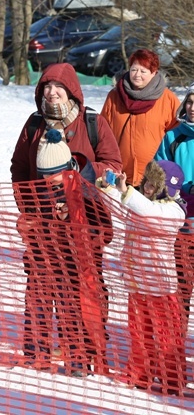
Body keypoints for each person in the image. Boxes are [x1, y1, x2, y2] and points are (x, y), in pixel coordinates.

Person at [16, 130, 113, 376]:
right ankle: (36, 354)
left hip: (76, 267)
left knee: (74, 314)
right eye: (44, 175)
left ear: (68, 168)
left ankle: (78, 361)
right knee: (37, 308)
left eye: (54, 174)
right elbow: (27, 218)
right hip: (43, 262)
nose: (48, 180)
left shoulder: (86, 190)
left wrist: (72, 223)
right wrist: (29, 227)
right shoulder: (38, 189)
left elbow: (105, 231)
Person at [97, 160, 187, 394]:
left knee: (166, 338)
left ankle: (172, 378)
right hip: (136, 284)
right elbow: (120, 206)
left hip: (160, 288)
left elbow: (149, 213)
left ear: (165, 189)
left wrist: (127, 192)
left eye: (154, 184)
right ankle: (139, 372)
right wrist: (109, 187)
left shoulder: (173, 211)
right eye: (146, 181)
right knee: (139, 334)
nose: (147, 187)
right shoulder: (141, 202)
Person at [100, 48, 180, 187]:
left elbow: (176, 138)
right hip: (120, 175)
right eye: (134, 70)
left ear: (154, 73)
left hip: (154, 178)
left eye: (143, 71)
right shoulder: (115, 96)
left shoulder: (167, 99)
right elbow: (102, 131)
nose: (137, 75)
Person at [154, 87, 194, 347]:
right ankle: (174, 352)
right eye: (190, 102)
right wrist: (180, 192)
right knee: (180, 293)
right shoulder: (173, 138)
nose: (192, 107)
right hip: (183, 228)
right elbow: (159, 174)